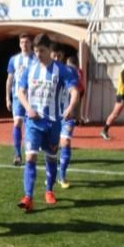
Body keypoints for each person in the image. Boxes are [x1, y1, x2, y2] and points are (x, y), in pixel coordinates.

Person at [16, 34, 79, 212]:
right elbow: (21, 91)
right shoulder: (30, 69)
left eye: (42, 51)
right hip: (33, 123)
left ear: (50, 50)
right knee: (30, 158)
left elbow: (74, 91)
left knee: (51, 158)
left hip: (53, 123)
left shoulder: (62, 70)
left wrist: (70, 108)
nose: (39, 55)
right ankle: (28, 197)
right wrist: (28, 107)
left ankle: (49, 190)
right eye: (36, 51)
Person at [56, 51, 85, 188]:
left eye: (58, 56)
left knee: (65, 142)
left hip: (68, 113)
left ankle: (62, 176)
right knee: (53, 145)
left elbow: (78, 93)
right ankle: (53, 175)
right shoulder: (49, 71)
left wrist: (76, 112)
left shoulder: (74, 73)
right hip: (53, 114)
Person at [6, 33, 35, 166]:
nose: (24, 44)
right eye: (22, 42)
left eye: (27, 42)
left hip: (33, 98)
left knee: (31, 126)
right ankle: (17, 154)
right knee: (17, 123)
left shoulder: (36, 59)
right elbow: (10, 79)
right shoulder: (14, 59)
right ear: (19, 44)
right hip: (18, 97)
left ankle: (32, 150)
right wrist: (7, 97)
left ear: (31, 44)